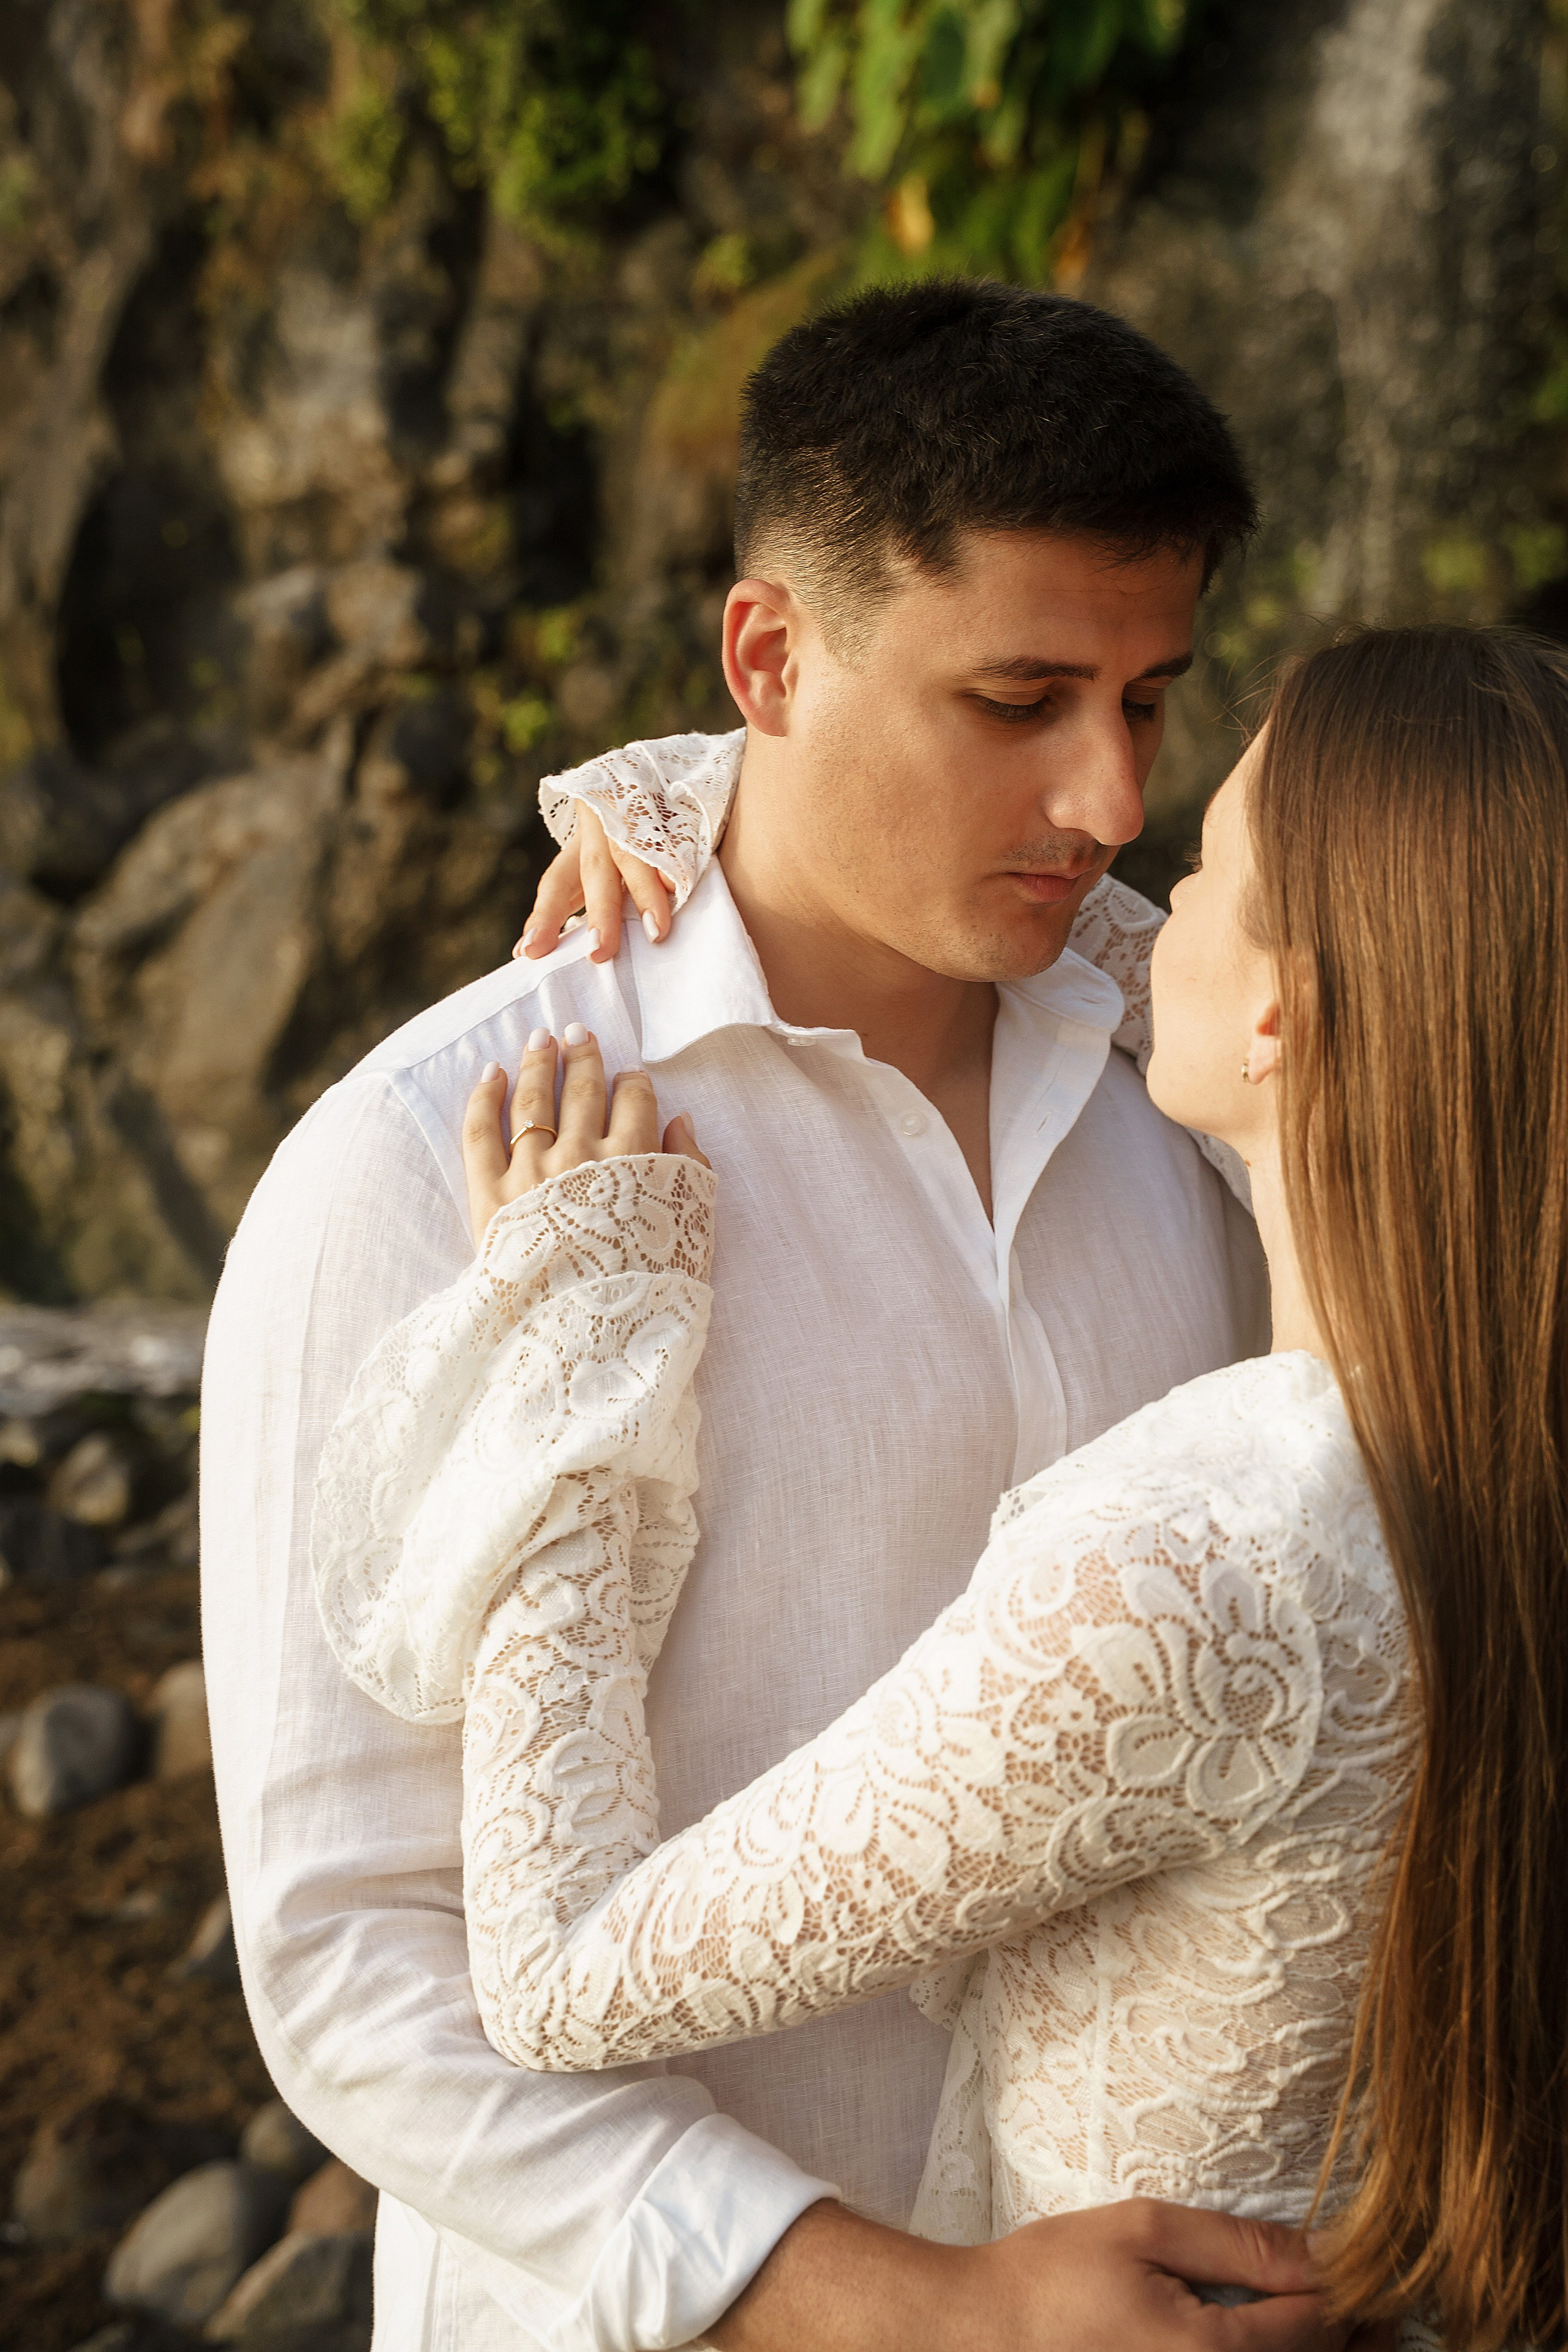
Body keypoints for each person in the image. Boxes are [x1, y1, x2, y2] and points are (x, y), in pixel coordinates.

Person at [203, 277, 1332, 2352]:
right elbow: (359, 1956)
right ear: (767, 656)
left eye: (1152, 700)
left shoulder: (1211, 1094)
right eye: (1017, 703)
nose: (1104, 799)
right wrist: (907, 2304)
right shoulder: (415, 1164)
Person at [314, 624, 1568, 2352]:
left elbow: (552, 1975)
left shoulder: (1194, 1569)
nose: (1129, 861)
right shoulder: (1502, 1464)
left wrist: (584, 1344)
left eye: (1201, 866)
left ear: (1290, 1006)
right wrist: (749, 791)